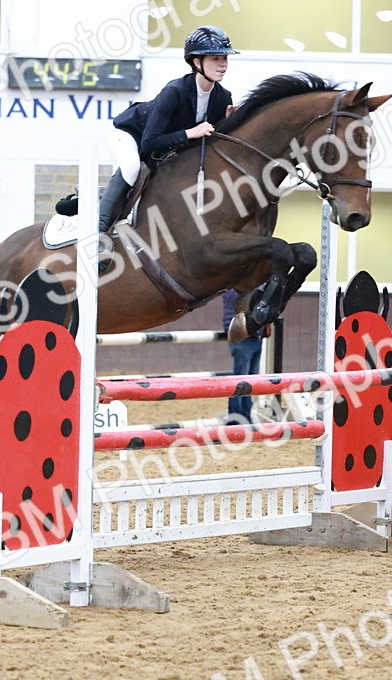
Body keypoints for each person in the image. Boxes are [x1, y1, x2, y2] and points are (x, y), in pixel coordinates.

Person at [96, 25, 237, 270]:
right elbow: (149, 143)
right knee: (131, 167)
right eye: (215, 58)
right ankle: (98, 234)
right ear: (196, 62)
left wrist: (230, 124)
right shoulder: (175, 91)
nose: (223, 64)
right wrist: (190, 133)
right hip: (130, 135)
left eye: (224, 58)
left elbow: (210, 142)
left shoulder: (223, 97)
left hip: (164, 148)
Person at [222, 288, 266, 424]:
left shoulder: (239, 286)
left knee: (248, 382)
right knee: (240, 382)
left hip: (253, 335)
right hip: (244, 336)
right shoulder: (237, 287)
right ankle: (236, 419)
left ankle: (244, 417)